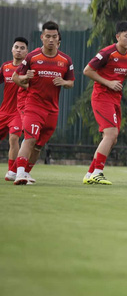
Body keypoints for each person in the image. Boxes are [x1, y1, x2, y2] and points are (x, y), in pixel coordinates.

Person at [13, 21, 75, 185]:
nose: (51, 40)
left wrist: (63, 82)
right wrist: (26, 78)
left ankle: (26, 173)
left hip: (52, 110)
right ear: (42, 37)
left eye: (54, 36)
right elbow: (15, 78)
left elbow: (71, 83)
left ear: (58, 38)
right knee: (30, 139)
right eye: (48, 36)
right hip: (33, 106)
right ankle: (19, 173)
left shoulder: (65, 60)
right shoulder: (32, 57)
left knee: (39, 145)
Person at [82, 21, 127, 185]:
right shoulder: (106, 53)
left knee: (112, 139)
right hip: (101, 97)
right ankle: (98, 172)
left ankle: (90, 173)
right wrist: (108, 83)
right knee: (110, 134)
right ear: (117, 36)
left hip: (115, 99)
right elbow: (87, 70)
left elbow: (116, 72)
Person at [2, 37, 29, 182]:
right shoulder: (5, 67)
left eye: (22, 48)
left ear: (27, 52)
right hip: (3, 111)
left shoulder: (28, 70)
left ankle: (12, 171)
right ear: (12, 49)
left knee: (13, 138)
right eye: (16, 47)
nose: (19, 50)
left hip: (18, 112)